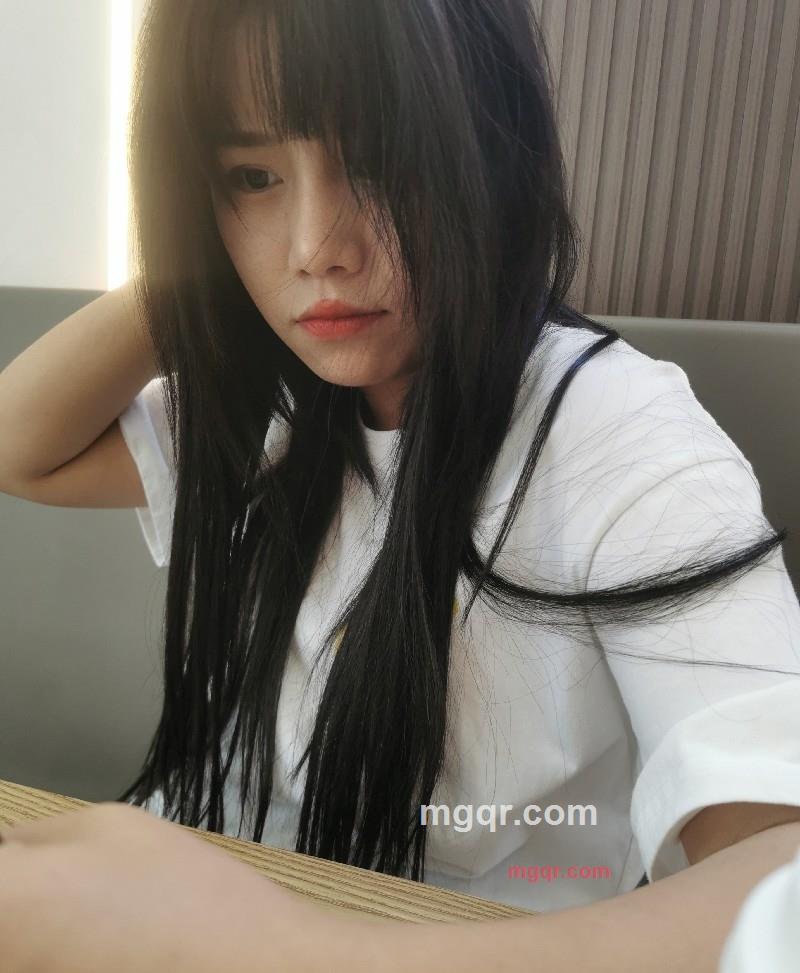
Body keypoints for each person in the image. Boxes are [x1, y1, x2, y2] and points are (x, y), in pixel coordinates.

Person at [1, 1, 799, 968]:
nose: (315, 247)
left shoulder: (617, 430)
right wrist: (193, 263)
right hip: (202, 875)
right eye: (251, 176)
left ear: (492, 155)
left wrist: (277, 949)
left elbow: (779, 871)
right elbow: (21, 448)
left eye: (380, 158)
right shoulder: (271, 399)